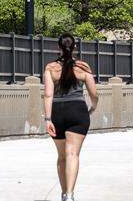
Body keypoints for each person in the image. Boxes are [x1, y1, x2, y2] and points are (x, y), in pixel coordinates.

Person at [43, 33, 98, 201]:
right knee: (72, 154)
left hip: (58, 112)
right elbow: (94, 93)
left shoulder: (50, 68)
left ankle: (63, 193)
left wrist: (48, 119)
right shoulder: (83, 67)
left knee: (61, 157)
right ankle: (70, 195)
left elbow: (47, 95)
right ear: (74, 47)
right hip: (78, 111)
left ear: (58, 48)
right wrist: (93, 107)